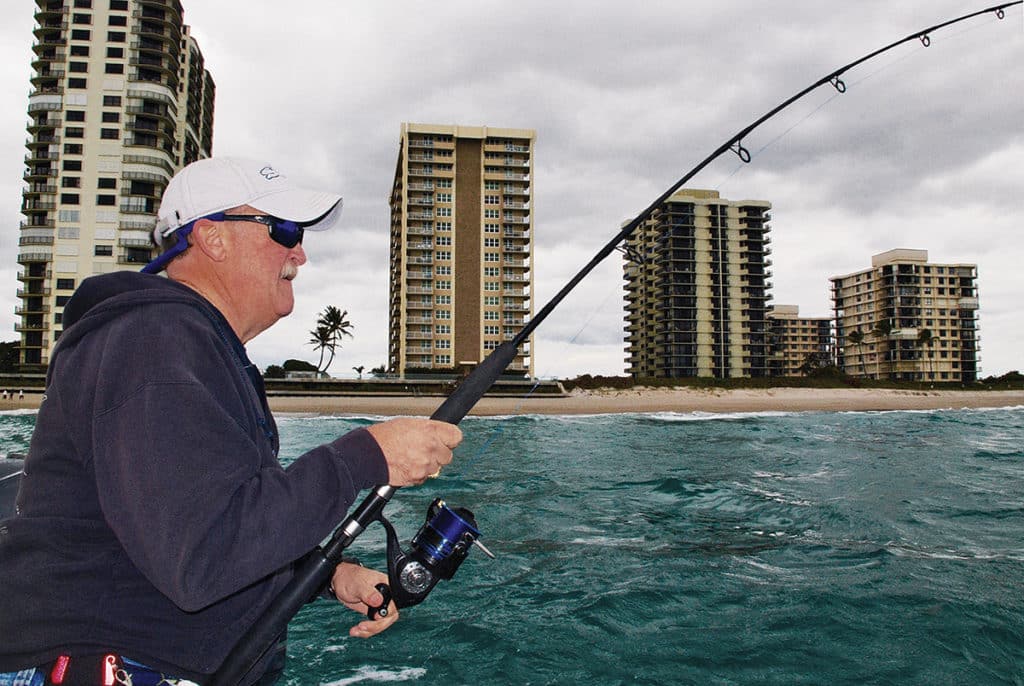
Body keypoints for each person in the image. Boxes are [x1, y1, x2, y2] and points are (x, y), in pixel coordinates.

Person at [0, 157, 462, 685]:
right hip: (113, 663)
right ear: (212, 238)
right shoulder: (154, 341)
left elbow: (211, 517)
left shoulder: (186, 347)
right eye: (283, 229)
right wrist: (364, 456)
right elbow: (201, 557)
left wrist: (330, 575)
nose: (300, 253)